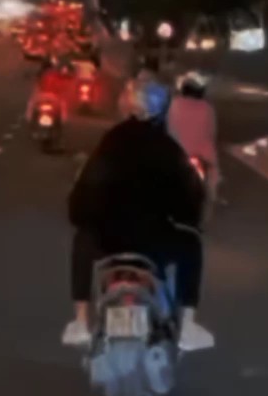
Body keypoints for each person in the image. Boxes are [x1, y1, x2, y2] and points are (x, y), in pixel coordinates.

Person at [62, 73, 215, 353]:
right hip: (155, 244)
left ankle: (81, 321)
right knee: (192, 243)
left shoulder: (110, 141)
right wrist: (188, 220)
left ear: (128, 106)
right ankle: (188, 325)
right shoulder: (168, 148)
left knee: (82, 239)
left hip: (108, 242)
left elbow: (81, 202)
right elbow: (191, 205)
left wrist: (89, 218)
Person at [168, 72, 220, 200]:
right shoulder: (207, 108)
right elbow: (211, 132)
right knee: (212, 178)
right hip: (203, 155)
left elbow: (169, 129)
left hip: (179, 153)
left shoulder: (174, 105)